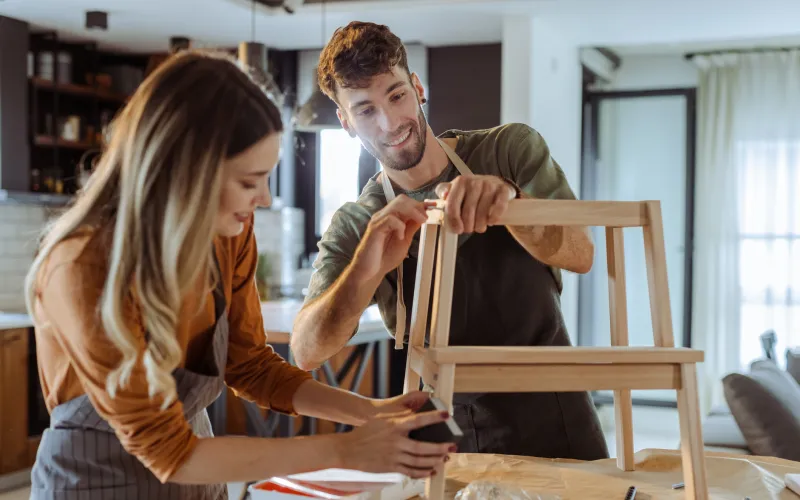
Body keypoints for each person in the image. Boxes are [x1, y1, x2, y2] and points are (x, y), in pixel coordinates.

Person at [24, 50, 455, 499]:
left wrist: (374, 414)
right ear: (187, 173)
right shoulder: (82, 266)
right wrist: (346, 450)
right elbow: (169, 452)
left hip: (199, 477)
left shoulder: (225, 237)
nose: (264, 199)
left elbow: (252, 368)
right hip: (94, 485)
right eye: (250, 182)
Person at [291, 21, 609, 461]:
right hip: (448, 432)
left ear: (417, 88)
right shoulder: (358, 222)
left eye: (396, 96)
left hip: (557, 412)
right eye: (365, 110)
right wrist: (366, 267)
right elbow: (307, 351)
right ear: (345, 122)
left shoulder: (509, 151)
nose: (389, 123)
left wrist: (511, 204)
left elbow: (582, 254)